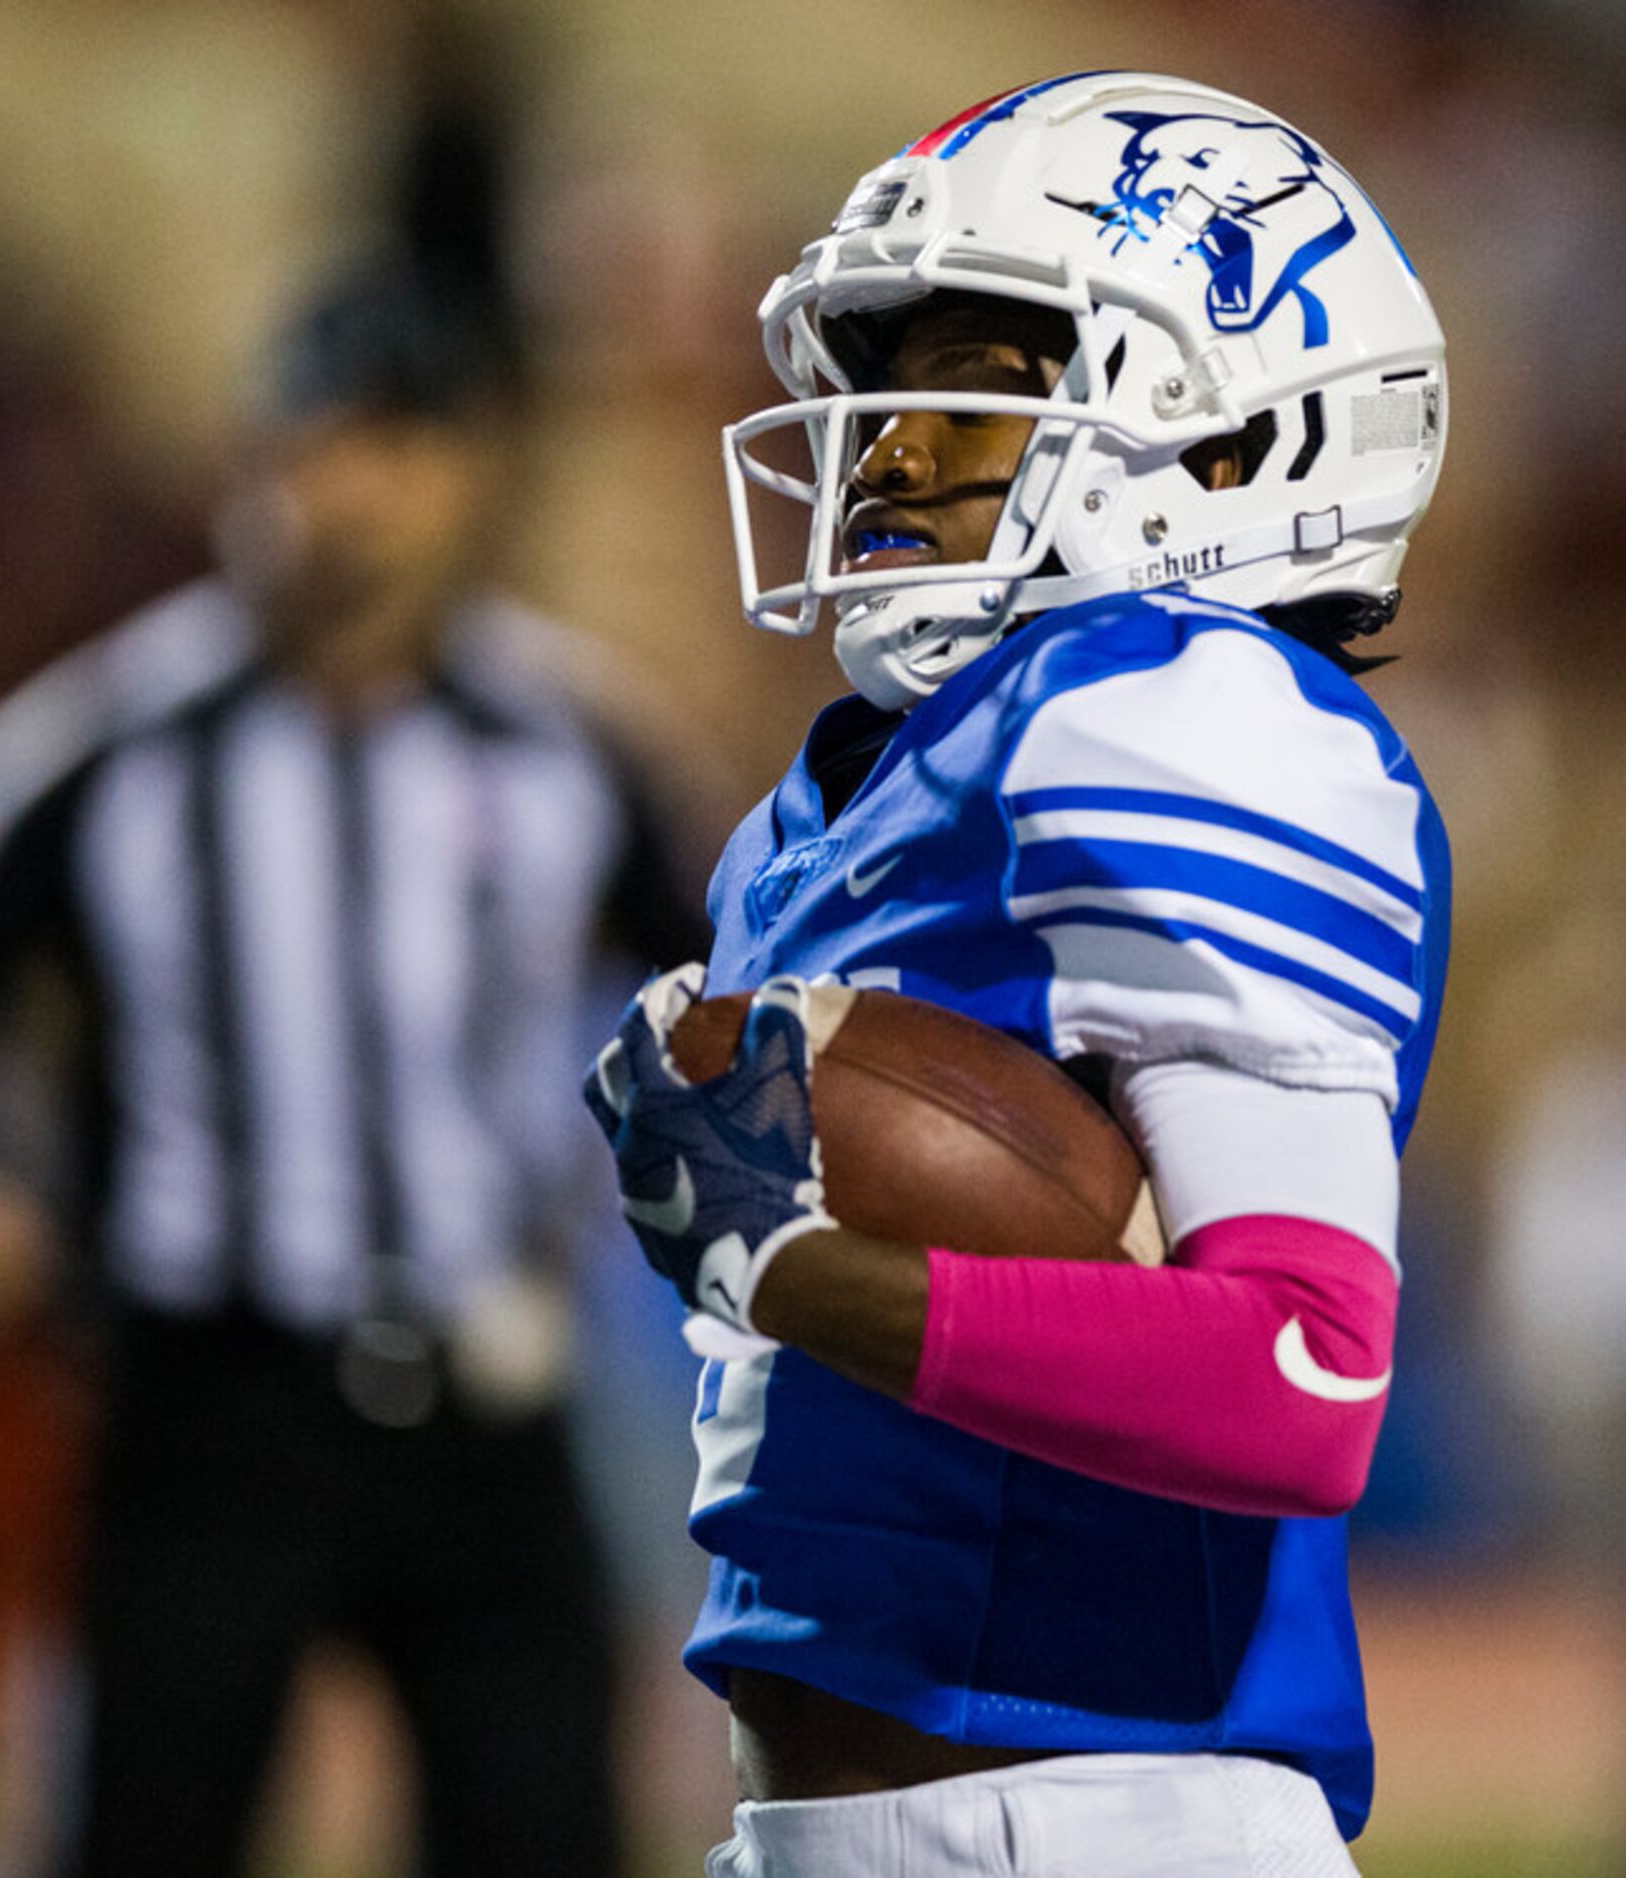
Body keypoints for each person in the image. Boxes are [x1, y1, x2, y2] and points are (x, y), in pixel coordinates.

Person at [582, 73, 1451, 1873]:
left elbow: (1299, 1373)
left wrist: (800, 1267)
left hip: (1091, 1808)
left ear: (1229, 442)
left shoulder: (1178, 711)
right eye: (875, 384)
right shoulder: (845, 791)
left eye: (977, 380)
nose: (882, 450)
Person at [0, 260, 706, 1878]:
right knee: (141, 1835)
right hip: (206, 1402)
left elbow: (730, 1002)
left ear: (470, 468)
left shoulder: (570, 738)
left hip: (490, 1391)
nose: (336, 495)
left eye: (386, 446)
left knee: (548, 1831)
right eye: (304, 446)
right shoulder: (115, 739)